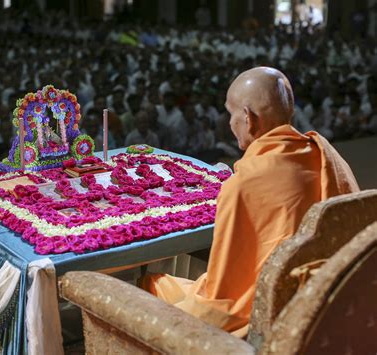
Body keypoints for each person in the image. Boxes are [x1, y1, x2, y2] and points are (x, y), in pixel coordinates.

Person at [141, 67, 359, 336]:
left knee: (151, 284)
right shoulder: (329, 157)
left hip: (268, 315)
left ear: (248, 118)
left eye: (231, 114)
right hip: (331, 299)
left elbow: (222, 296)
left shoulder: (244, 187)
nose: (230, 123)